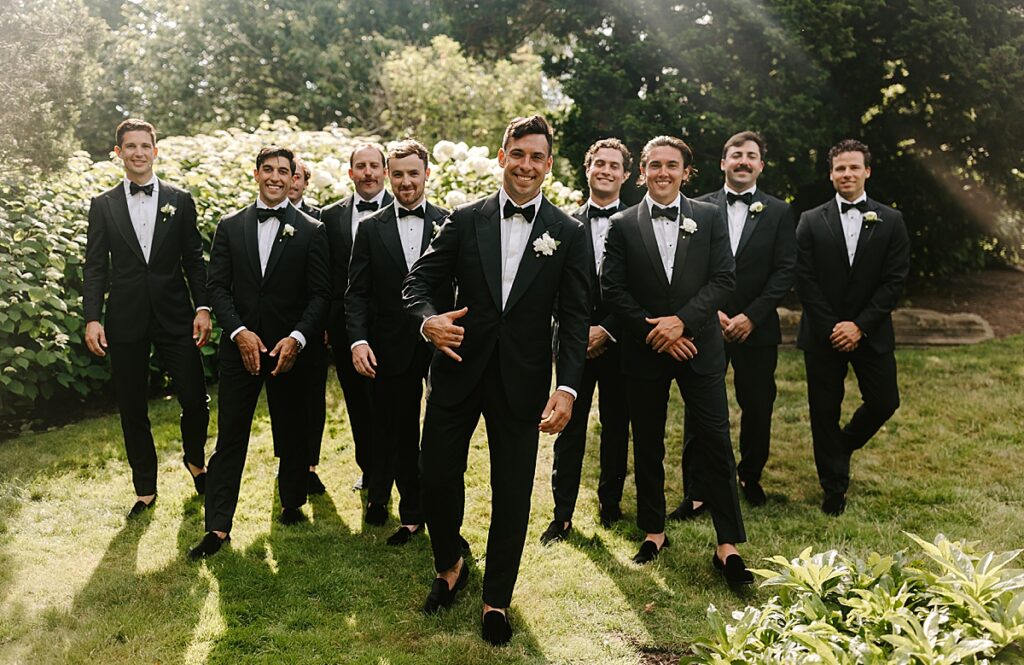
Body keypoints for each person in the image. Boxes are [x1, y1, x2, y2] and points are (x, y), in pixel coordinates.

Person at [402, 115, 590, 645]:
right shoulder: (465, 219)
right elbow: (419, 282)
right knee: (436, 476)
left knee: (512, 491)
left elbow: (574, 319)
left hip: (523, 382)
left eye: (537, 157)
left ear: (548, 165)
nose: (526, 165)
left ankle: (497, 600)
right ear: (502, 155)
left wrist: (568, 387)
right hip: (457, 371)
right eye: (518, 154)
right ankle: (449, 563)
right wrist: (427, 320)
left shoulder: (567, 232)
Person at [601, 135, 753, 584]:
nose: (663, 172)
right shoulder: (623, 224)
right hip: (646, 350)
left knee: (715, 439)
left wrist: (683, 324)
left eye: (672, 165)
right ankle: (653, 530)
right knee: (647, 441)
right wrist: (658, 332)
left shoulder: (708, 217)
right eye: (655, 165)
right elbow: (614, 290)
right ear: (642, 171)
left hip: (700, 345)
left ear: (687, 173)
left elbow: (724, 279)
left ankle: (727, 544)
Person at [189, 145, 330, 559]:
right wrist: (239, 331)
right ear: (256, 174)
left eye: (282, 171)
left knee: (292, 427)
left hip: (289, 349)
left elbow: (321, 294)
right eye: (267, 169)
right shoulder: (229, 226)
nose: (274, 177)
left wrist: (298, 339)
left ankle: (291, 503)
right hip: (241, 350)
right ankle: (217, 527)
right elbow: (217, 287)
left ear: (292, 178)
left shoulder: (311, 230)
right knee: (231, 435)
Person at [82, 118, 210, 517]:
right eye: (130, 146)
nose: (138, 152)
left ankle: (195, 460)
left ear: (156, 151)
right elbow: (95, 268)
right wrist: (92, 317)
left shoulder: (181, 199)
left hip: (176, 316)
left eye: (145, 145)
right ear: (118, 153)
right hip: (125, 318)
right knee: (133, 405)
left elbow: (193, 259)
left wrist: (203, 307)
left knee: (195, 398)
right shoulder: (102, 205)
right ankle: (145, 487)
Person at [674, 131, 796, 517]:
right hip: (706, 323)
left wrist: (752, 316)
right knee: (699, 408)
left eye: (751, 156)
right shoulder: (697, 207)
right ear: (723, 162)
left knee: (758, 404)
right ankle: (696, 490)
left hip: (757, 327)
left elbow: (784, 271)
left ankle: (750, 476)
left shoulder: (779, 211)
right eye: (736, 155)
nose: (743, 161)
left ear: (761, 165)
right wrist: (710, 312)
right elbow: (686, 267)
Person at [795, 139, 909, 516]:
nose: (847, 174)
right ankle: (833, 487)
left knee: (885, 400)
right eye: (840, 168)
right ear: (831, 174)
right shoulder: (811, 220)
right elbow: (805, 280)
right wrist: (833, 326)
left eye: (853, 167)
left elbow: (894, 281)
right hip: (822, 333)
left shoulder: (890, 220)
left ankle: (841, 446)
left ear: (867, 171)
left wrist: (859, 326)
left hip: (871, 330)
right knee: (823, 410)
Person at [345, 139, 452, 541]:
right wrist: (358, 341)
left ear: (427, 174)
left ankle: (443, 513)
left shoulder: (449, 221)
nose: (406, 182)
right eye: (399, 174)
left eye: (414, 173)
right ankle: (411, 514)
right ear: (388, 175)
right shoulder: (371, 228)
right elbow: (357, 291)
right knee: (401, 431)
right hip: (391, 345)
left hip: (443, 343)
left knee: (442, 433)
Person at [540, 138, 632, 545]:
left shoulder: (637, 224)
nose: (606, 171)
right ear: (587, 168)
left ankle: (610, 505)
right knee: (569, 427)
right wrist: (578, 332)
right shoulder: (562, 223)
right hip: (572, 340)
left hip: (621, 339)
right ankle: (561, 516)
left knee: (616, 425)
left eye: (615, 165)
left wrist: (607, 328)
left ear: (626, 175)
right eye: (600, 164)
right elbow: (548, 286)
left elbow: (642, 287)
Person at [321, 144, 393, 492]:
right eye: (360, 166)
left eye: (374, 166)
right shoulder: (330, 216)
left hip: (396, 325)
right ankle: (369, 468)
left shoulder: (405, 209)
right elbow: (323, 277)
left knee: (394, 403)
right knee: (358, 403)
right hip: (346, 326)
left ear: (385, 171)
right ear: (350, 173)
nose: (368, 173)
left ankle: (400, 469)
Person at [288, 157, 327, 494]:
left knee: (313, 397)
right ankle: (288, 461)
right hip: (276, 323)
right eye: (290, 174)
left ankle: (310, 465)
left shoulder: (320, 218)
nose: (293, 181)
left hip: (312, 322)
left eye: (298, 176)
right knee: (283, 400)